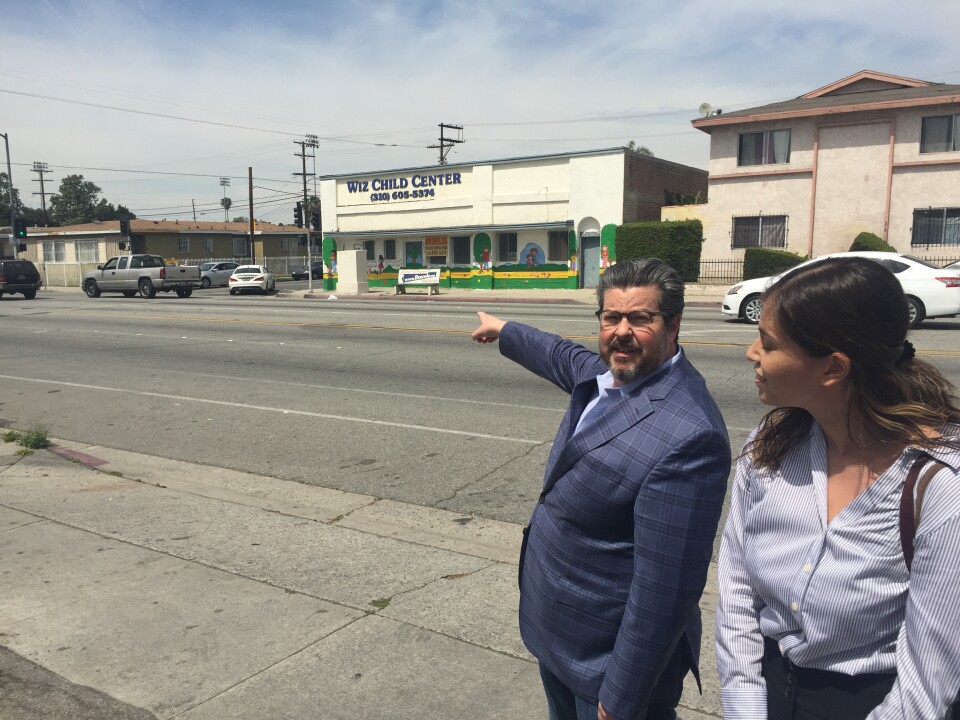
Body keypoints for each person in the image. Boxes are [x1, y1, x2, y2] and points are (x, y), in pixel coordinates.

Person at [472, 258, 731, 720]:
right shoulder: (608, 377)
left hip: (606, 668)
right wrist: (505, 329)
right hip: (558, 635)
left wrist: (622, 696)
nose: (622, 331)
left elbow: (665, 591)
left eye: (640, 318)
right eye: (612, 317)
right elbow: (561, 355)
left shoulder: (690, 434)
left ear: (673, 326)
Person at [716, 257, 960, 719]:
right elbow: (736, 592)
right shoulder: (769, 446)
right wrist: (745, 707)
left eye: (768, 343)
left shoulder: (939, 487)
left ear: (832, 368)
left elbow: (927, 685)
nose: (751, 352)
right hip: (768, 690)